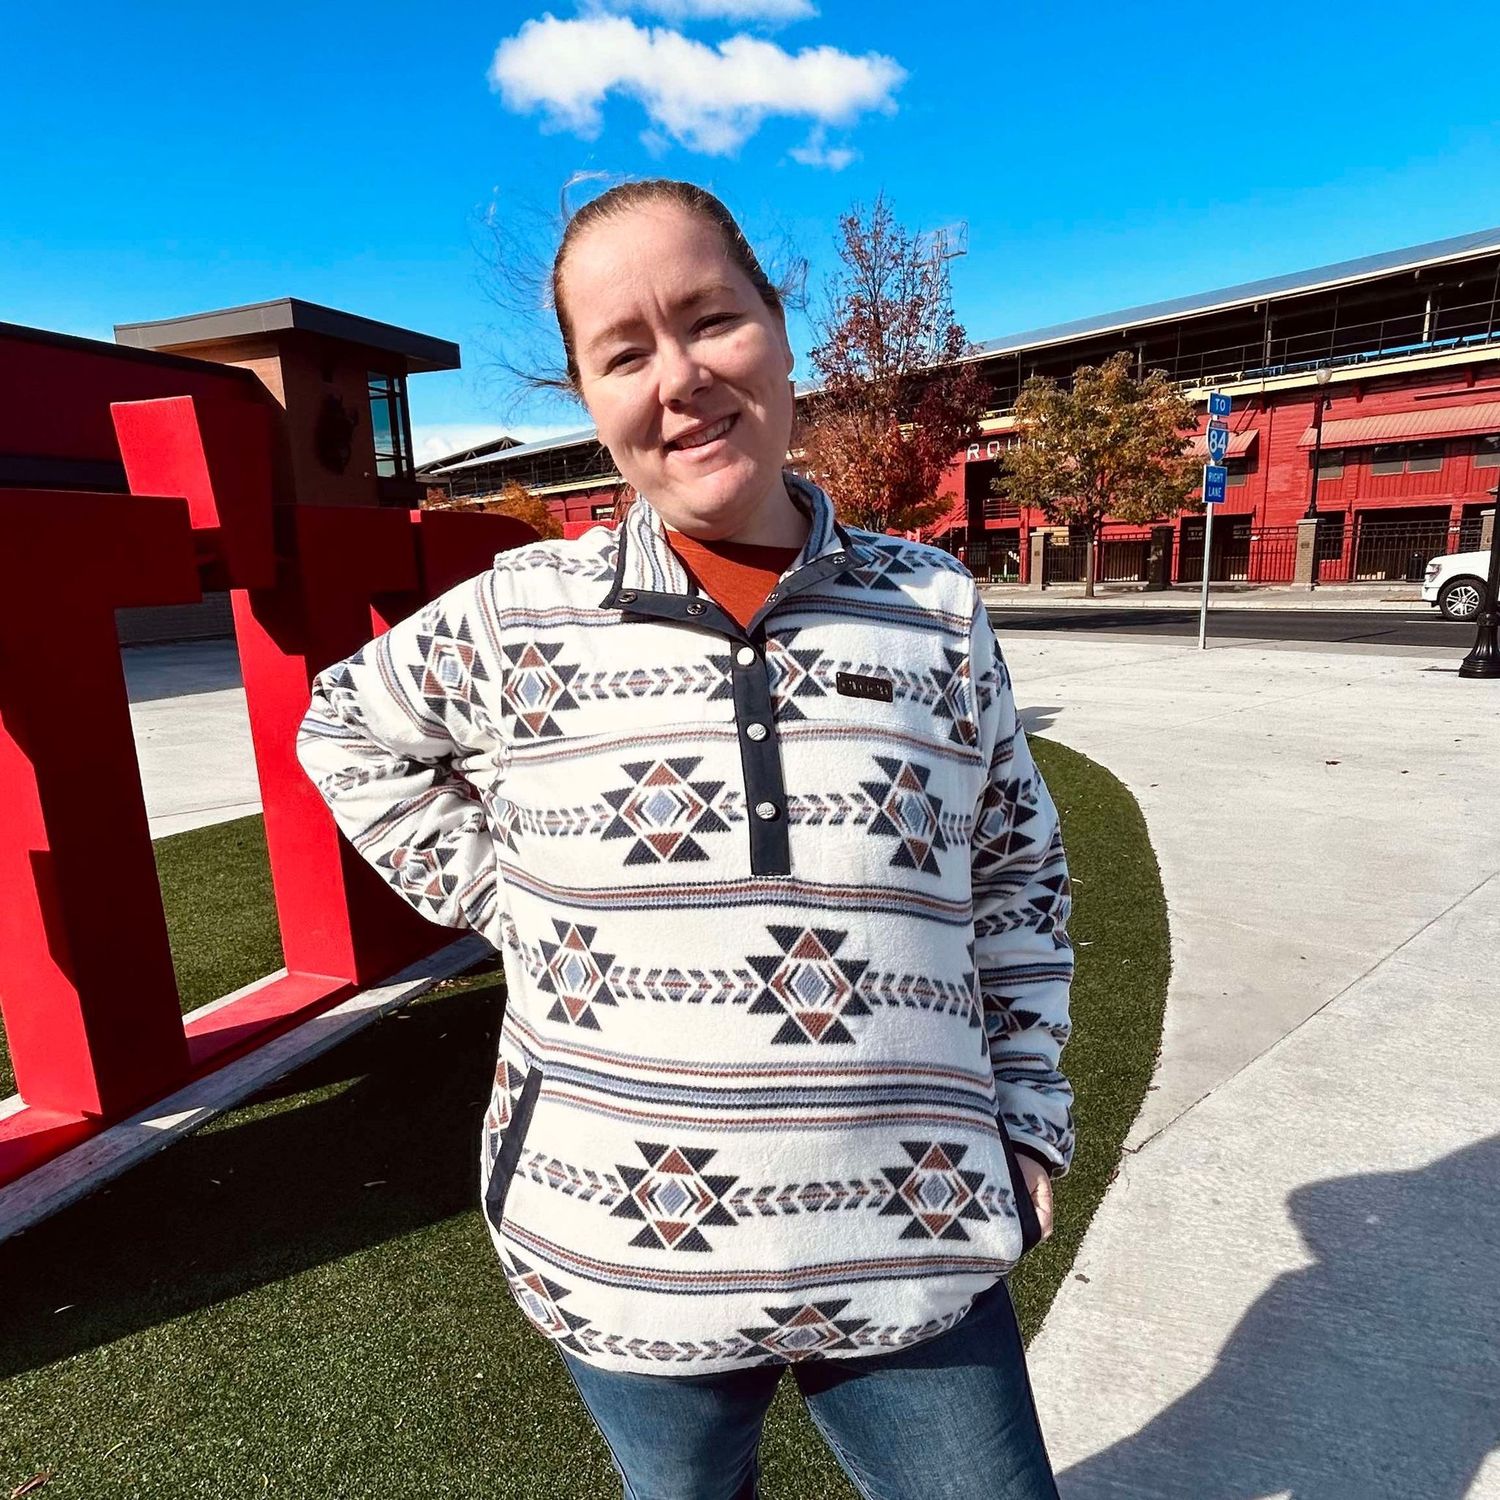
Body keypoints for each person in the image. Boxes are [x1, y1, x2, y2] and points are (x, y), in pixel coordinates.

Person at [296, 178, 1076, 1500]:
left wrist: (1033, 1112)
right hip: (621, 1252)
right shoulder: (519, 613)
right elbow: (342, 730)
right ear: (589, 399)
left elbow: (1014, 870)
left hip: (916, 1234)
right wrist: (509, 899)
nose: (680, 378)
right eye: (623, 351)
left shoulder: (935, 604)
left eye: (710, 319)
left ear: (779, 328)